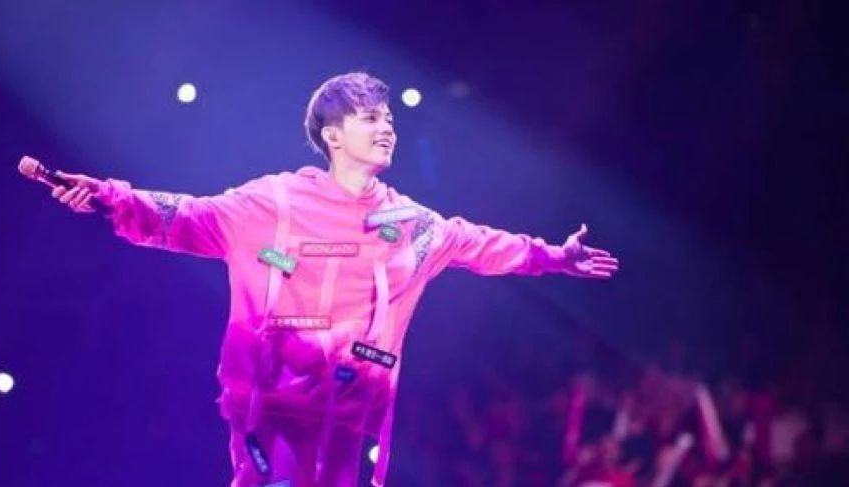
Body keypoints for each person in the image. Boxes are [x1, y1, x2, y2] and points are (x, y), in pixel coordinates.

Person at [46, 72, 620, 487]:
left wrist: (554, 257)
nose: (387, 127)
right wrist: (108, 197)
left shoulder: (412, 225)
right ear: (333, 136)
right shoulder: (274, 201)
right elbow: (188, 217)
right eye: (371, 118)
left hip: (348, 421)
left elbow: (482, 244)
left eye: (389, 118)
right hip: (273, 414)